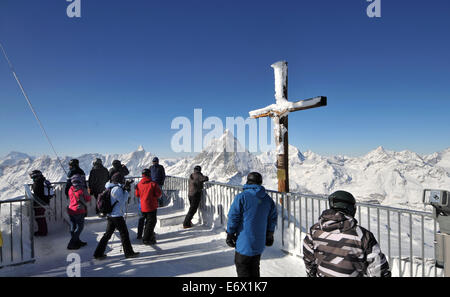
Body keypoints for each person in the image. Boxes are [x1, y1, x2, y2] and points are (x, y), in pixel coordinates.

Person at [303, 190, 391, 277]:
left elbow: (308, 258)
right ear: (350, 208)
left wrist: (311, 273)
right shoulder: (362, 235)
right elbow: (378, 268)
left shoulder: (315, 231)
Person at [226, 172, 277, 277]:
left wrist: (230, 233)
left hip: (243, 244)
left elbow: (233, 217)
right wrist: (270, 234)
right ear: (260, 183)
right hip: (259, 243)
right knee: (254, 268)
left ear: (248, 182)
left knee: (243, 269)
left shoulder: (241, 197)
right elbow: (272, 219)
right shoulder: (268, 199)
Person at [93, 172, 139, 259]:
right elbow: (123, 200)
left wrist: (124, 188)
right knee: (124, 234)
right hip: (117, 215)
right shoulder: (117, 189)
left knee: (107, 235)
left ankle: (98, 253)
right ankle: (129, 253)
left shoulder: (111, 187)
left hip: (111, 215)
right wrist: (126, 190)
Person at [135, 169, 162, 245]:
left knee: (146, 221)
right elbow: (158, 194)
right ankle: (146, 239)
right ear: (149, 174)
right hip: (151, 206)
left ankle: (143, 235)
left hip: (143, 206)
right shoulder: (153, 184)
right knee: (151, 222)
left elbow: (137, 195)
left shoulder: (139, 184)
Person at [67, 174, 91, 250]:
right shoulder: (82, 189)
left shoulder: (70, 188)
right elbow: (88, 199)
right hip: (79, 210)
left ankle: (77, 241)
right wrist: (88, 192)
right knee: (79, 227)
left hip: (71, 210)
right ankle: (72, 243)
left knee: (73, 226)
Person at [30, 170, 53, 236]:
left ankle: (43, 232)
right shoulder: (43, 181)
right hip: (45, 202)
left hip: (40, 203)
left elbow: (38, 194)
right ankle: (43, 231)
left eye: (32, 176)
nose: (32, 178)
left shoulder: (37, 183)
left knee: (40, 218)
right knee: (41, 218)